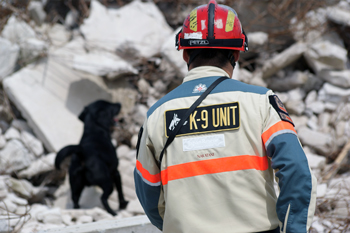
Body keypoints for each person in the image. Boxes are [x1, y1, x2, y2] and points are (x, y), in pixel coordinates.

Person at [134, 1, 317, 232]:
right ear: (236, 54)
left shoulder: (156, 115)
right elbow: (297, 171)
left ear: (185, 54)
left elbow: (148, 192)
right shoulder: (261, 102)